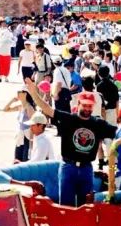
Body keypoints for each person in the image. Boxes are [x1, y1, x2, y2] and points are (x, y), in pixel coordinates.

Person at [25, 78, 116, 206]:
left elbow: (118, 132)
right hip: (68, 167)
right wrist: (34, 93)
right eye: (84, 105)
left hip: (86, 169)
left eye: (90, 106)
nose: (87, 109)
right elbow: (47, 109)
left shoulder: (98, 123)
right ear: (78, 104)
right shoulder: (68, 119)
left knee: (86, 207)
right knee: (66, 207)